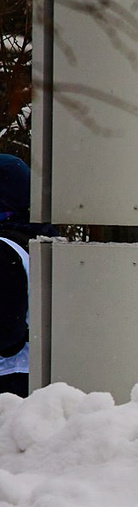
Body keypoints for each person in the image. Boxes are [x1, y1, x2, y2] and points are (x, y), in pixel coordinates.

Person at [0, 154, 29, 398]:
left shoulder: (3, 249)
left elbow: (8, 334)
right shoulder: (38, 240)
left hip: (8, 379)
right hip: (29, 375)